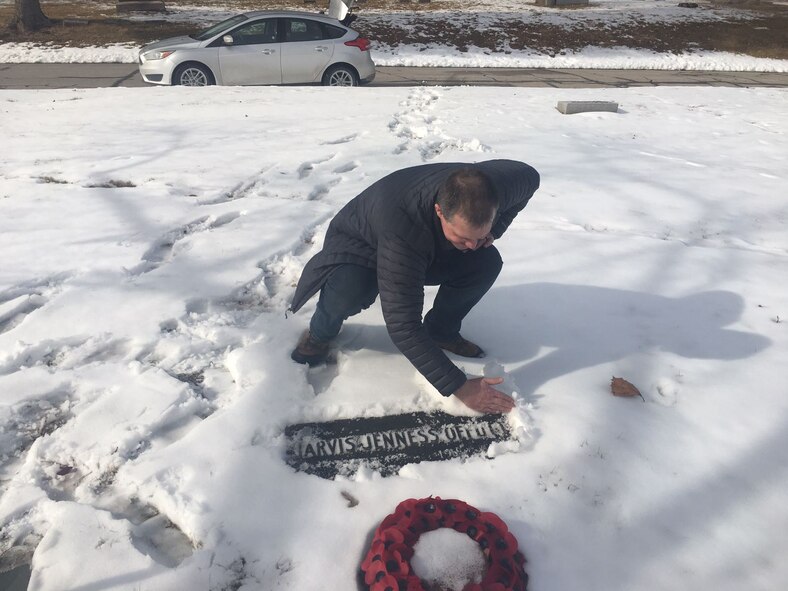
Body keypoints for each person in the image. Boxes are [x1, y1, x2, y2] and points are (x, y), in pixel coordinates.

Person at [288, 159, 540, 414]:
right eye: (464, 238)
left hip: (426, 242)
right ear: (440, 211)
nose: (472, 245)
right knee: (350, 289)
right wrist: (460, 387)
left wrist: (494, 231)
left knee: (485, 262)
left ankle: (441, 331)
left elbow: (532, 178)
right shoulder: (403, 229)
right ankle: (319, 334)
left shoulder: (504, 185)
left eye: (476, 236)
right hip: (361, 246)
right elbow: (403, 324)